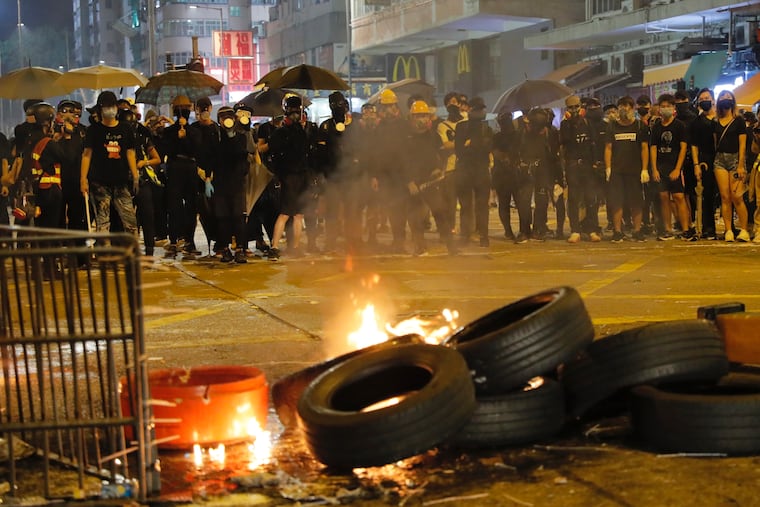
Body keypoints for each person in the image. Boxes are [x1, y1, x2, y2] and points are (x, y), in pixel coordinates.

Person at [79, 91, 139, 236]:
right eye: (106, 106)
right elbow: (87, 155)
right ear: (100, 109)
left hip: (121, 181)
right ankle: (104, 254)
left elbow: (130, 153)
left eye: (112, 105)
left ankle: (131, 253)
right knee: (103, 221)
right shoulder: (93, 130)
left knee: (130, 221)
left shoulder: (125, 129)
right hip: (99, 182)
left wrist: (135, 175)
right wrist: (83, 179)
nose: (110, 109)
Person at [404, 100, 457, 256]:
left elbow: (441, 155)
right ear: (412, 117)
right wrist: (408, 182)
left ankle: (451, 246)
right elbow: (400, 161)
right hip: (412, 184)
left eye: (425, 115)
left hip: (430, 181)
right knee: (415, 217)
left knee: (440, 212)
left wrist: (438, 169)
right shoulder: (405, 137)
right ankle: (420, 247)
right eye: (418, 116)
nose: (422, 119)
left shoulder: (433, 136)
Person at [268, 95, 312, 258]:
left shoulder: (302, 131)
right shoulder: (281, 132)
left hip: (301, 176)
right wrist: (279, 176)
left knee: (299, 214)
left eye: (297, 110)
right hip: (288, 176)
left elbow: (306, 153)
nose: (295, 113)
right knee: (286, 213)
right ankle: (274, 246)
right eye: (292, 110)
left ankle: (295, 246)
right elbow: (275, 154)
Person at [649, 93, 694, 241]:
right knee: (663, 197)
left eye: (669, 106)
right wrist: (654, 169)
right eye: (663, 106)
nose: (665, 109)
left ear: (674, 108)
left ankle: (686, 229)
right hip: (660, 168)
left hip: (675, 168)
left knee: (679, 197)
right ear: (659, 109)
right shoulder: (656, 127)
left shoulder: (679, 126)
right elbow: (653, 148)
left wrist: (677, 168)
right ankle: (668, 229)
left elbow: (683, 148)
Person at [604, 96, 649, 242]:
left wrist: (644, 169)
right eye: (621, 106)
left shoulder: (639, 126)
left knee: (636, 202)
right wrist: (608, 168)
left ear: (633, 108)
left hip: (634, 171)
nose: (624, 109)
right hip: (617, 171)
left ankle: (637, 230)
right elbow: (608, 148)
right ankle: (617, 232)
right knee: (617, 202)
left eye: (627, 106)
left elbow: (644, 148)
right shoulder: (612, 126)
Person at [119, 108, 162, 256]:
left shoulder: (143, 138)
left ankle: (149, 250)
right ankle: (130, 250)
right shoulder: (118, 140)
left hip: (143, 182)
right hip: (124, 183)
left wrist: (144, 162)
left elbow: (157, 159)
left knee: (147, 217)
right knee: (128, 220)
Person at [162, 95, 202, 256]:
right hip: (175, 168)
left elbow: (196, 149)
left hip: (190, 168)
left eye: (186, 108)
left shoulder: (194, 131)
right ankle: (174, 239)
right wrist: (177, 136)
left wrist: (186, 136)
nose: (182, 111)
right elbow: (167, 150)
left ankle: (189, 240)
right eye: (180, 108)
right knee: (174, 206)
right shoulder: (168, 131)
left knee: (191, 206)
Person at [560, 95, 602, 243]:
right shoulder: (565, 125)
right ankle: (575, 230)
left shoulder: (587, 122)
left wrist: (595, 162)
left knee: (590, 198)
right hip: (573, 166)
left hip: (587, 165)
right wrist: (571, 123)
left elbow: (594, 143)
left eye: (576, 107)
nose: (574, 110)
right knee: (573, 199)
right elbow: (565, 142)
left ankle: (591, 229)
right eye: (571, 108)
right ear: (567, 109)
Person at [212, 106, 250, 263]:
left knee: (238, 216)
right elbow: (214, 156)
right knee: (223, 217)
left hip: (236, 183)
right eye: (223, 117)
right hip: (220, 183)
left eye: (229, 117)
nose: (227, 120)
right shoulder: (215, 137)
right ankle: (225, 248)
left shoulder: (240, 136)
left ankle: (240, 248)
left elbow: (241, 154)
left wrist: (233, 136)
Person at [454, 96, 493, 246]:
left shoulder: (487, 129)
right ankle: (465, 234)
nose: (480, 112)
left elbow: (487, 147)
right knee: (466, 205)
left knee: (482, 205)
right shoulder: (462, 127)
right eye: (477, 109)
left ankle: (483, 235)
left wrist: (471, 144)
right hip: (465, 170)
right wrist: (475, 145)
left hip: (481, 171)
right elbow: (459, 150)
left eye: (482, 109)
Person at [712, 90, 749, 242]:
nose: (725, 99)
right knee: (725, 196)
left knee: (737, 197)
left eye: (728, 97)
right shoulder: (715, 122)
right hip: (720, 160)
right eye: (722, 97)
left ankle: (744, 230)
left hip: (735, 159)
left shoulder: (739, 121)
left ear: (733, 101)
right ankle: (728, 230)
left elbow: (742, 145)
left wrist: (741, 165)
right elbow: (715, 143)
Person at [690, 88, 718, 240]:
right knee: (707, 195)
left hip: (722, 157)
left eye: (707, 98)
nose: (705, 100)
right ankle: (709, 227)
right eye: (701, 99)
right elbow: (694, 145)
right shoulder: (697, 122)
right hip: (705, 160)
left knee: (727, 195)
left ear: (713, 100)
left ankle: (730, 227)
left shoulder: (721, 118)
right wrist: (696, 164)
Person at [491, 109, 518, 240]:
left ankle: (523, 229)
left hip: (515, 174)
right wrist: (505, 158)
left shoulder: (517, 135)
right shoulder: (497, 137)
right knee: (504, 204)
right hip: (502, 175)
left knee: (520, 203)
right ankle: (508, 231)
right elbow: (495, 152)